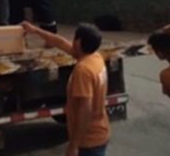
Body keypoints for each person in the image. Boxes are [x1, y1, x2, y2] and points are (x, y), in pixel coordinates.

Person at [22, 21, 110, 156]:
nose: (72, 41)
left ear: (79, 42)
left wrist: (74, 145)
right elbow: (61, 43)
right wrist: (36, 30)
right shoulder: (95, 57)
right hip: (99, 134)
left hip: (88, 141)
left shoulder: (83, 70)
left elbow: (85, 110)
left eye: (74, 38)